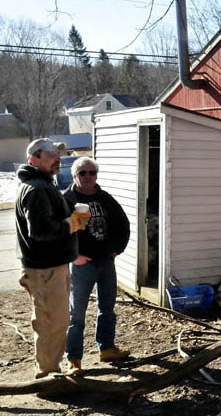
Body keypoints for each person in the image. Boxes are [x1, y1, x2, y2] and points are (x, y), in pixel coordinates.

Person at [15, 138, 90, 379]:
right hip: (45, 270)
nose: (57, 159)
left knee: (54, 321)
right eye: (50, 155)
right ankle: (47, 378)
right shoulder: (37, 189)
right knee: (51, 324)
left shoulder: (40, 185)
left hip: (48, 268)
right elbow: (40, 231)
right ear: (34, 159)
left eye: (59, 154)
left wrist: (71, 220)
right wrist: (72, 223)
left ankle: (50, 371)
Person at [62, 157, 131, 375]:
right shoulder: (67, 199)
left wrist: (116, 249)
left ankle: (107, 348)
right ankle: (73, 359)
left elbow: (123, 224)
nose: (88, 177)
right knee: (76, 314)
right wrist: (73, 256)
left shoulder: (104, 198)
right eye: (83, 173)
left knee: (107, 308)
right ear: (74, 175)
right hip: (82, 263)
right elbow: (58, 233)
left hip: (105, 261)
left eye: (92, 172)